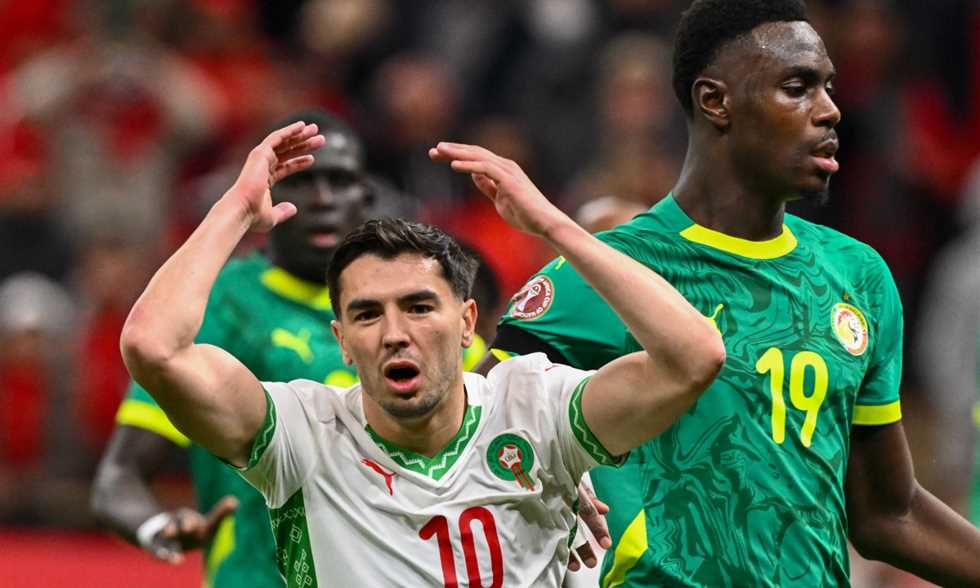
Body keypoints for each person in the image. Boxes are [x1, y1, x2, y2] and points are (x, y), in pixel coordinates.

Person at [468, 0, 980, 586]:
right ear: (715, 101)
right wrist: (541, 482)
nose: (829, 110)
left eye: (828, 88)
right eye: (797, 88)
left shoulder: (858, 276)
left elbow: (889, 513)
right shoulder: (613, 269)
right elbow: (469, 434)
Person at [118, 123, 725, 586]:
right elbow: (153, 347)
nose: (394, 332)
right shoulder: (303, 434)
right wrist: (235, 210)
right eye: (367, 314)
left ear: (467, 324)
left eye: (418, 307)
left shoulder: (536, 407)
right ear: (342, 341)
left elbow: (694, 357)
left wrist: (551, 225)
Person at [90, 109, 372, 587]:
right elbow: (119, 477)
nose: (323, 199)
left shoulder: (400, 303)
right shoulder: (218, 305)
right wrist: (157, 526)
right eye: (302, 181)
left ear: (366, 196)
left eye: (340, 181)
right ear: (269, 191)